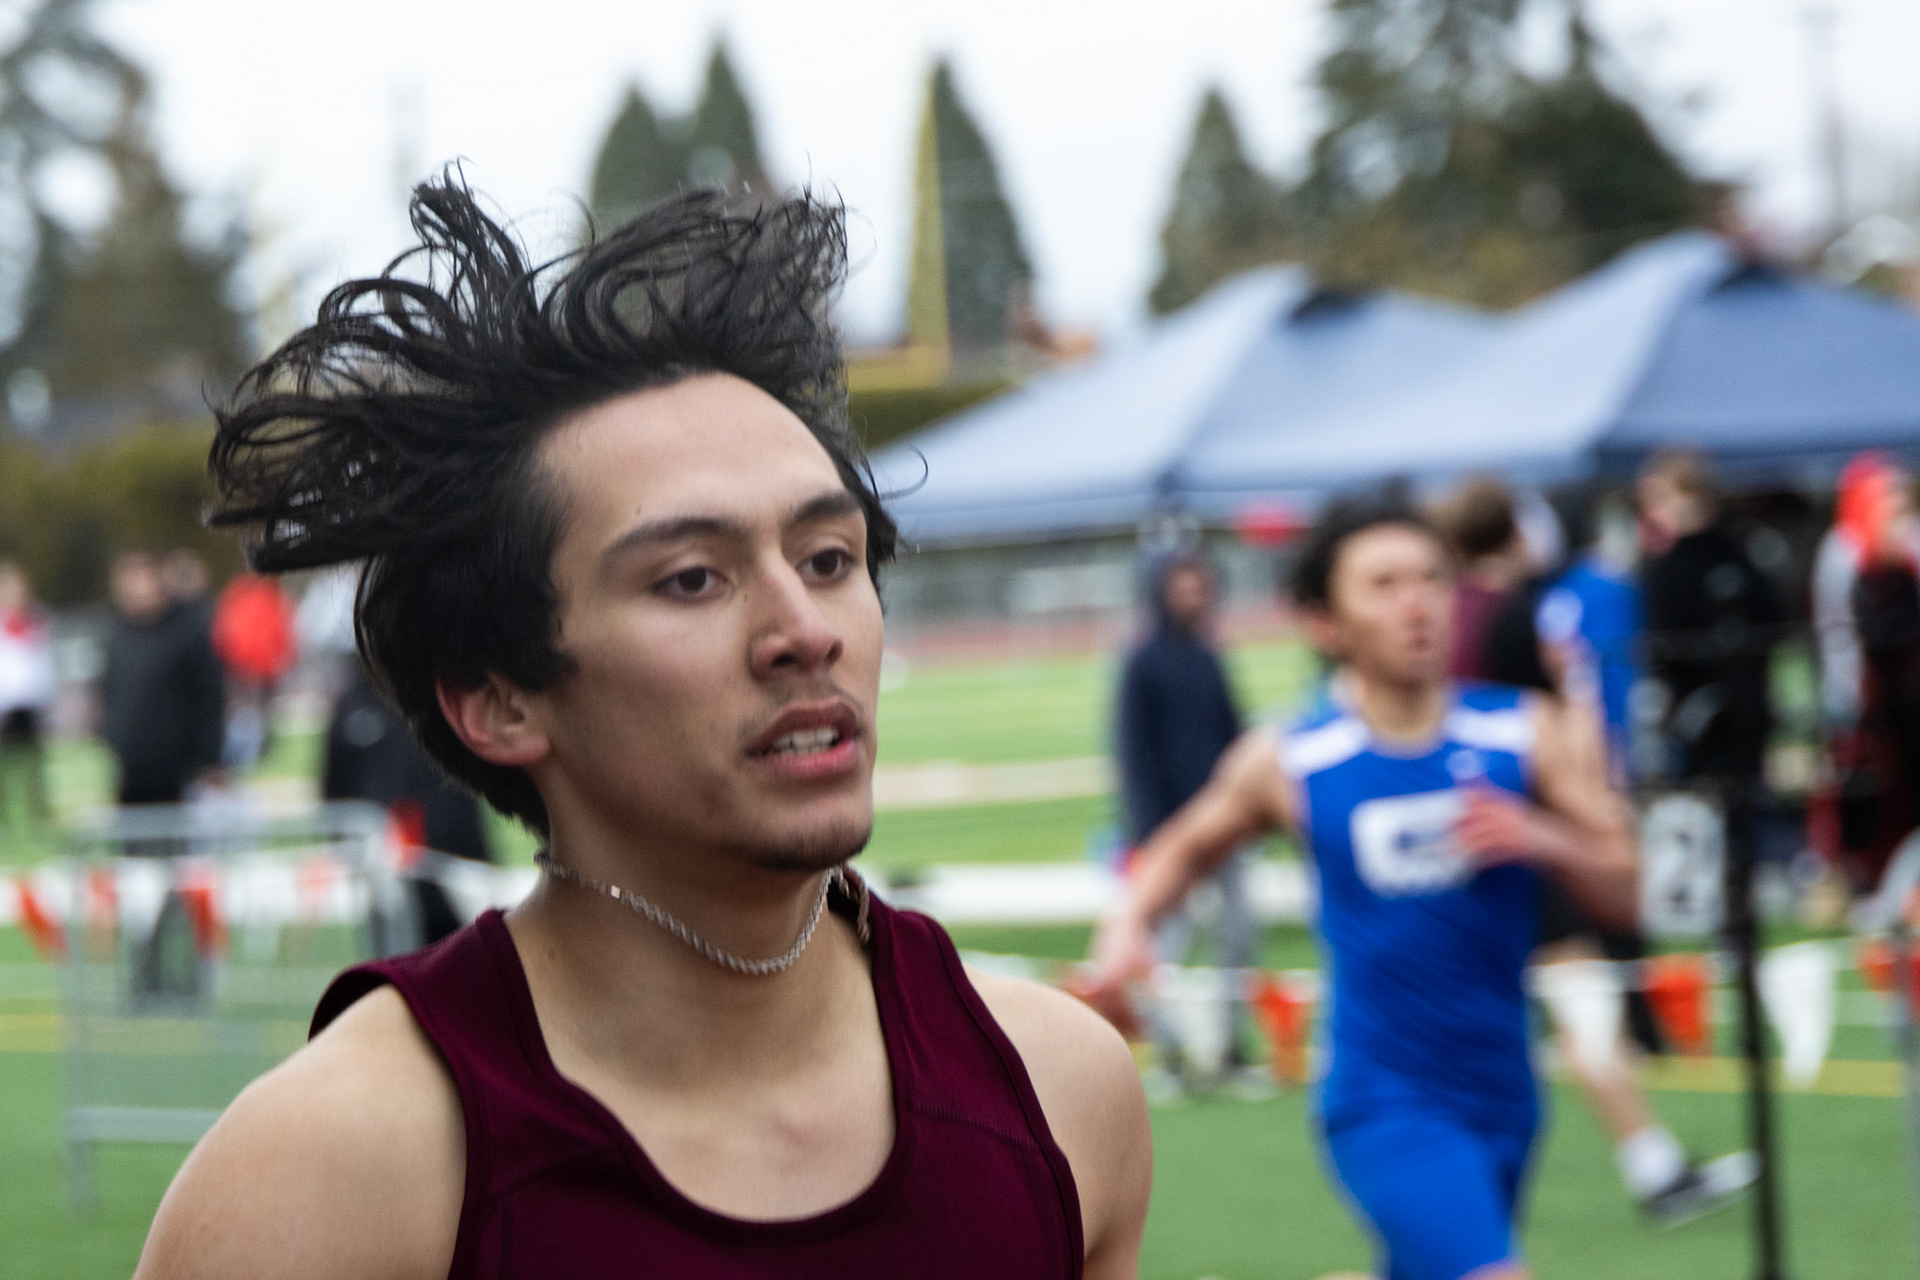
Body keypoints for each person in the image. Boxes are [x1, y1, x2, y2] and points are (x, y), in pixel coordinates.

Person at [134, 176, 1150, 1279]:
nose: (806, 631)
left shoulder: (1061, 1094)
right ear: (499, 699)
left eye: (828, 558)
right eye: (692, 578)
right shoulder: (336, 1168)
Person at [1089, 493, 1637, 1280]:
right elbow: (1181, 847)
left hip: (1507, 1093)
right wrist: (1125, 933)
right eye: (1383, 585)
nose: (1417, 604)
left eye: (1431, 579)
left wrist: (1545, 839)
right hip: (1382, 1098)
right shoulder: (1293, 758)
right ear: (1326, 623)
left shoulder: (1523, 731)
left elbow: (1629, 891)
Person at [1478, 490, 1756, 1226]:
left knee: (1572, 1009)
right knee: (1576, 1011)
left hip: (1509, 842)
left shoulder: (1486, 619)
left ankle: (1652, 1163)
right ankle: (1651, 1167)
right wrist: (1601, 821)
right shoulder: (1517, 622)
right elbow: (1568, 735)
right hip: (1521, 844)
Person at [1114, 547, 1254, 1092]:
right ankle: (1169, 1051)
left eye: (1200, 586)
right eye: (1183, 587)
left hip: (1224, 824)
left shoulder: (1209, 654)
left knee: (1238, 936)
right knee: (1165, 944)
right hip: (1170, 830)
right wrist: (1149, 832)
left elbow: (1235, 735)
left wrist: (1248, 809)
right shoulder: (1142, 661)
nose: (1194, 596)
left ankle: (1231, 1046)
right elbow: (1133, 751)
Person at [100, 549, 226, 808]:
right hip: (131, 765)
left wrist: (208, 758)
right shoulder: (118, 635)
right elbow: (111, 693)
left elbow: (209, 697)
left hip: (178, 766)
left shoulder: (187, 632)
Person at [0, 560, 55, 832]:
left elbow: (43, 664)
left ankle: (38, 821)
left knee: (34, 769)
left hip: (31, 706)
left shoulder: (37, 619)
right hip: (5, 706)